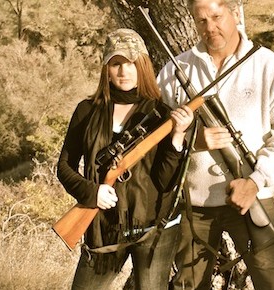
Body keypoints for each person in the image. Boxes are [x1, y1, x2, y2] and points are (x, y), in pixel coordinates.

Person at [157, 0, 274, 289]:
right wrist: (192, 141)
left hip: (252, 197)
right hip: (192, 204)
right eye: (201, 20)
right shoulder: (176, 69)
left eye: (216, 16)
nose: (210, 27)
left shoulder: (268, 65)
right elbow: (157, 134)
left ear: (235, 12)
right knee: (188, 284)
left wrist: (256, 180)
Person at [57, 28, 194, 290]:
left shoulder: (159, 112)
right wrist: (91, 192)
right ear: (106, 69)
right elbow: (64, 166)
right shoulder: (87, 111)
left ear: (142, 66)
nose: (124, 71)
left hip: (153, 228)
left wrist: (177, 136)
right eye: (116, 63)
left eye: (132, 63)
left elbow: (165, 182)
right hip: (104, 228)